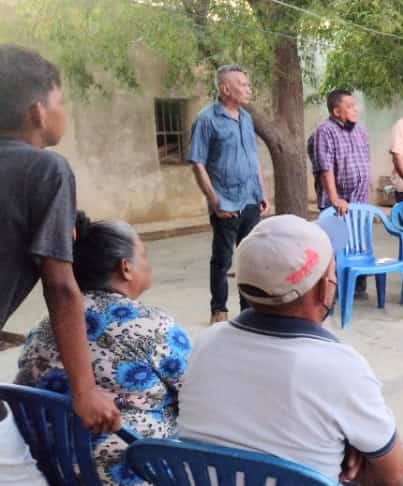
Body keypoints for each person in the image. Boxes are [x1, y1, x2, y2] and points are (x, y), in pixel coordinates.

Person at [178, 215, 403, 486]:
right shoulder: (341, 367)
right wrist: (348, 457)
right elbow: (391, 477)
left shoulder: (206, 343)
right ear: (324, 287)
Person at [0, 46, 120, 475]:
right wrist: (84, 390)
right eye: (61, 102)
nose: (63, 112)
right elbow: (61, 286)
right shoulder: (45, 170)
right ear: (38, 111)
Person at [16, 214, 191, 485]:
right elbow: (196, 392)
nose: (148, 263)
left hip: (54, 469)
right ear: (126, 268)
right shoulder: (153, 326)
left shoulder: (47, 325)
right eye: (143, 255)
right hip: (132, 472)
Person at [188, 65, 270, 325]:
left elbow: (253, 158)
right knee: (222, 259)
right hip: (226, 203)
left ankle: (249, 309)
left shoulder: (245, 118)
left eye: (247, 84)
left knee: (250, 258)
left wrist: (262, 191)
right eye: (242, 85)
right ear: (225, 88)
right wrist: (215, 201)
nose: (248, 89)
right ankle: (219, 309)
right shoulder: (206, 119)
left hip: (250, 200)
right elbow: (197, 163)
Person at [308, 89, 372, 215]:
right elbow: (325, 169)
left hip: (359, 205)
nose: (355, 109)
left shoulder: (360, 131)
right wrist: (335, 200)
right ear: (336, 111)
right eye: (349, 106)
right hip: (336, 208)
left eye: (355, 105)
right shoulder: (325, 132)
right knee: (337, 235)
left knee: (358, 235)